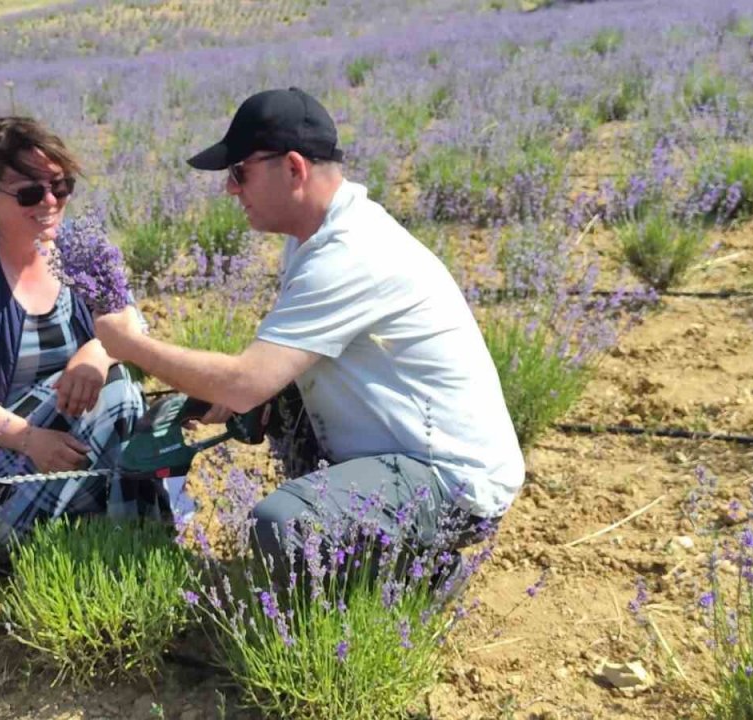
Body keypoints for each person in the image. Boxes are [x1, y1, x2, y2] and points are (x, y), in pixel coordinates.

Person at [93, 88, 526, 568]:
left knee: (283, 524)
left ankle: (419, 579)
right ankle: (374, 565)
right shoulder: (313, 238)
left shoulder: (349, 253)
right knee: (280, 400)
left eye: (239, 173)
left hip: (451, 481)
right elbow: (268, 373)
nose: (230, 189)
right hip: (405, 450)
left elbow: (244, 382)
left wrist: (130, 345)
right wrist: (246, 398)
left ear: (294, 168)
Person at [0, 116, 147, 548]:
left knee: (119, 389)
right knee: (119, 399)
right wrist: (30, 439)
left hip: (70, 442)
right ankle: (98, 537)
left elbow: (132, 324)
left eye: (60, 187)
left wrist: (96, 353)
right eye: (29, 192)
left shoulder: (83, 248)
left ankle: (124, 544)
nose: (50, 202)